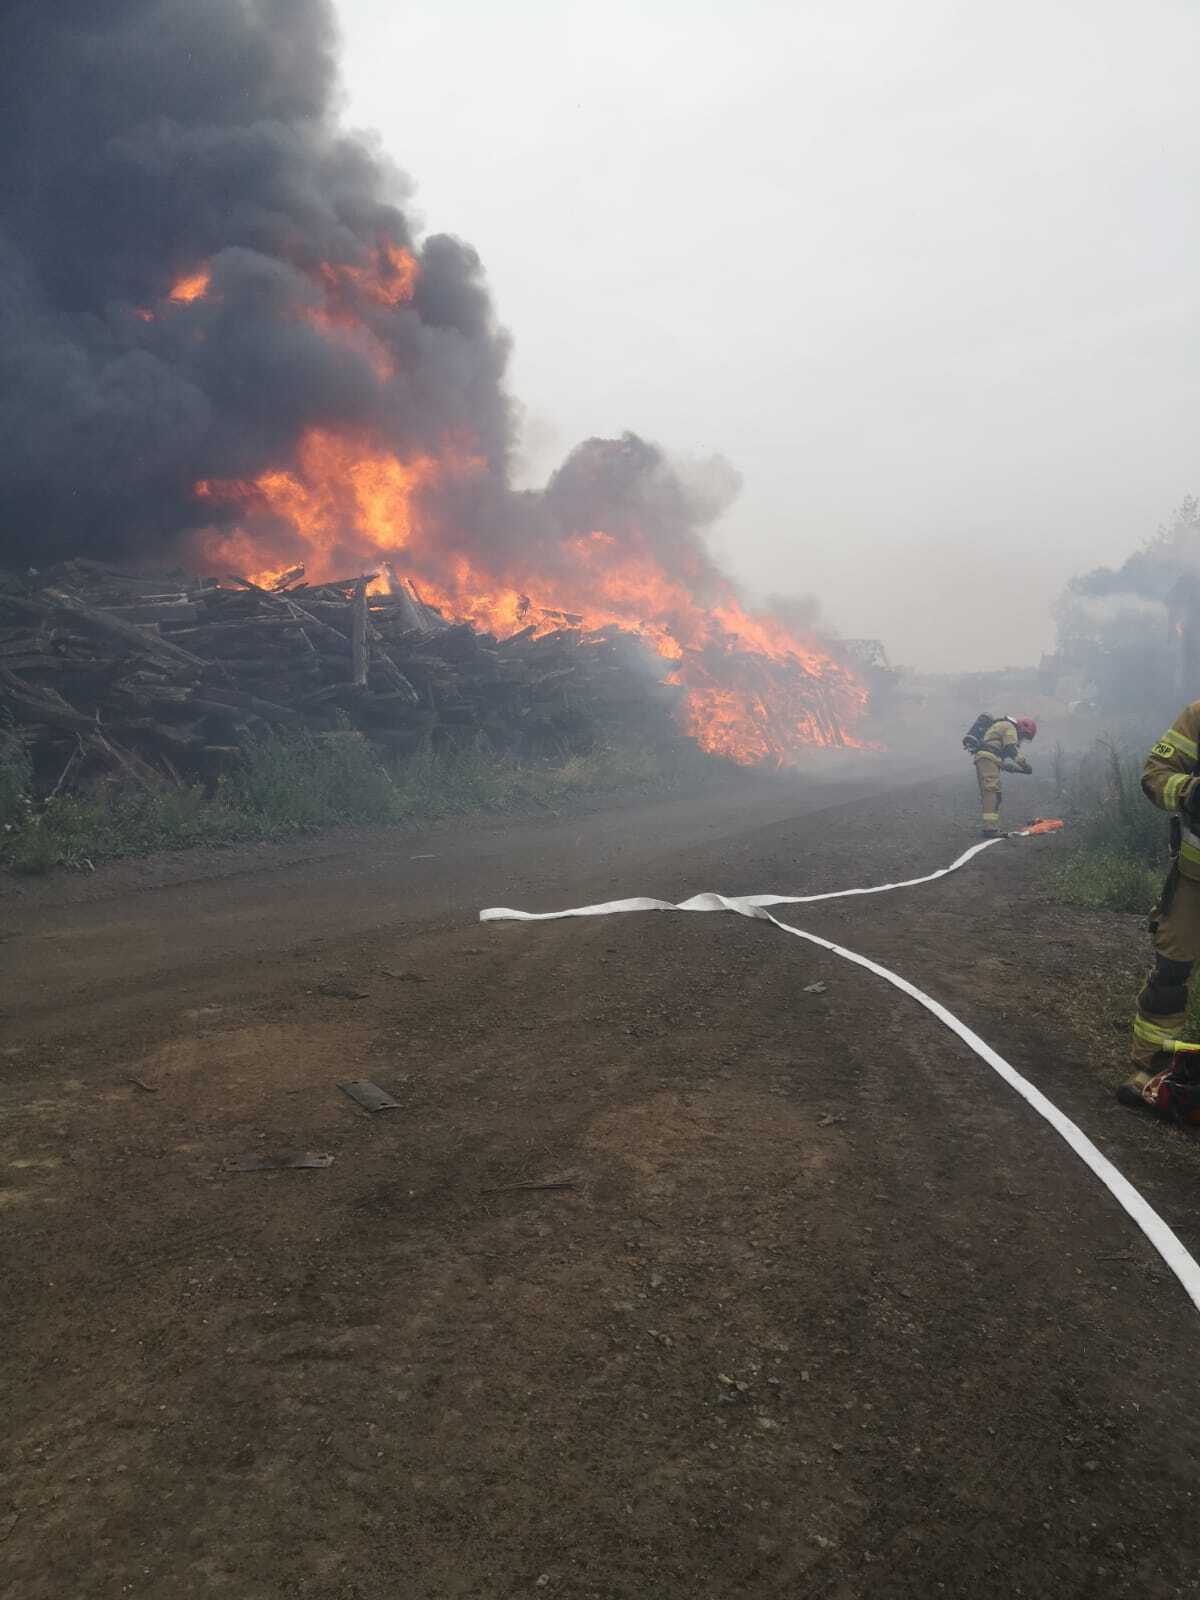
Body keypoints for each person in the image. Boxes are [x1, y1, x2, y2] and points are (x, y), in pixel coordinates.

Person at [1120, 701, 1200, 1122]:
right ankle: (1149, 1071)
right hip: (1194, 880)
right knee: (1169, 976)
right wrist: (1189, 791)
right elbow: (1155, 776)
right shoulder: (1199, 715)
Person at [970, 716, 1037, 837]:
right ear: (1021, 727)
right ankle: (990, 830)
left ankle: (991, 827)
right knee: (991, 792)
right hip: (988, 758)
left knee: (995, 795)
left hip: (989, 759)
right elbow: (1011, 749)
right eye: (1024, 735)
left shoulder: (1003, 727)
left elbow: (1003, 760)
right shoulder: (1009, 727)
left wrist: (1018, 770)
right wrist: (1024, 764)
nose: (1022, 738)